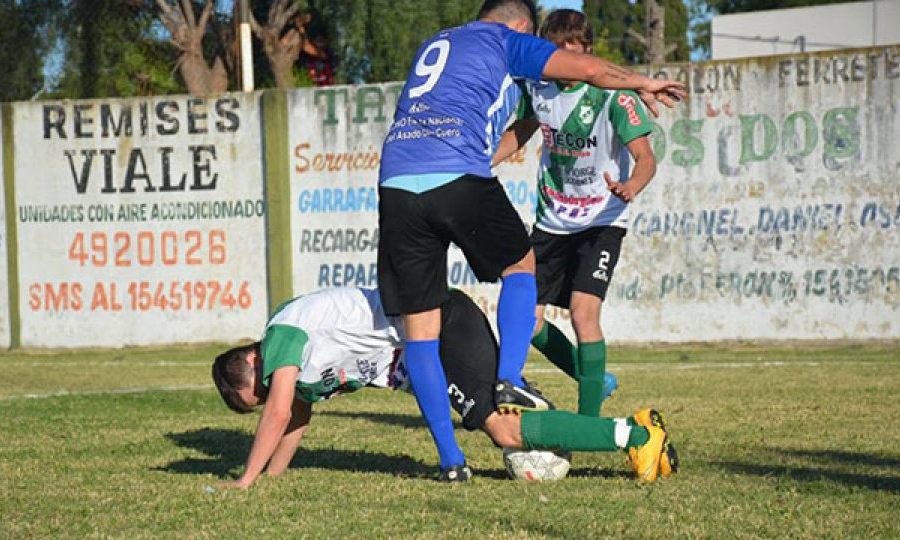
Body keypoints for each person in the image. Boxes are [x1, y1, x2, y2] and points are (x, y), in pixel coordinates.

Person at [377, 0, 686, 480]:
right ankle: (509, 381)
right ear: (522, 25)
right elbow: (589, 69)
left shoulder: (436, 42)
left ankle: (451, 462)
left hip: (395, 182)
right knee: (520, 267)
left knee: (420, 331)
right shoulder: (505, 40)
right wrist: (642, 81)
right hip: (458, 173)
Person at [211, 287, 678, 486]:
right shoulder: (296, 365)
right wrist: (273, 478)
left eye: (261, 391)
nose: (271, 396)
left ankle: (637, 435)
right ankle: (623, 422)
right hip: (434, 343)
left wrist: (245, 480)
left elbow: (278, 412)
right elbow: (295, 416)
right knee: (507, 423)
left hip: (442, 326)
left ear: (253, 360)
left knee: (503, 429)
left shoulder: (281, 334)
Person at [492, 9, 659, 419]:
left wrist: (631, 186)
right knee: (527, 322)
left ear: (587, 50)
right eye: (558, 50)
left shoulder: (615, 96)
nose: (568, 57)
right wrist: (482, 161)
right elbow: (523, 130)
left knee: (584, 313)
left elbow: (646, 158)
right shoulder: (539, 89)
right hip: (552, 220)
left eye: (576, 48)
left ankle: (589, 423)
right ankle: (595, 380)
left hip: (602, 220)